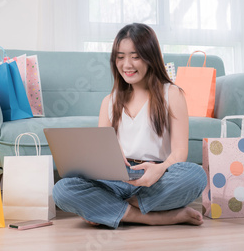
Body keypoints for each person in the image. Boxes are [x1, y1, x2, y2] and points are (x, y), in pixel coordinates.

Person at [52, 23, 207, 229]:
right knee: (62, 190)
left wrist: (159, 169)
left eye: (135, 56)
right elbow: (100, 155)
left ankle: (111, 210)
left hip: (156, 177)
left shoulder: (172, 94)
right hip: (117, 180)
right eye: (120, 56)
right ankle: (153, 217)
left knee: (195, 176)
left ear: (150, 57)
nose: (127, 64)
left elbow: (180, 152)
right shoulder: (109, 101)